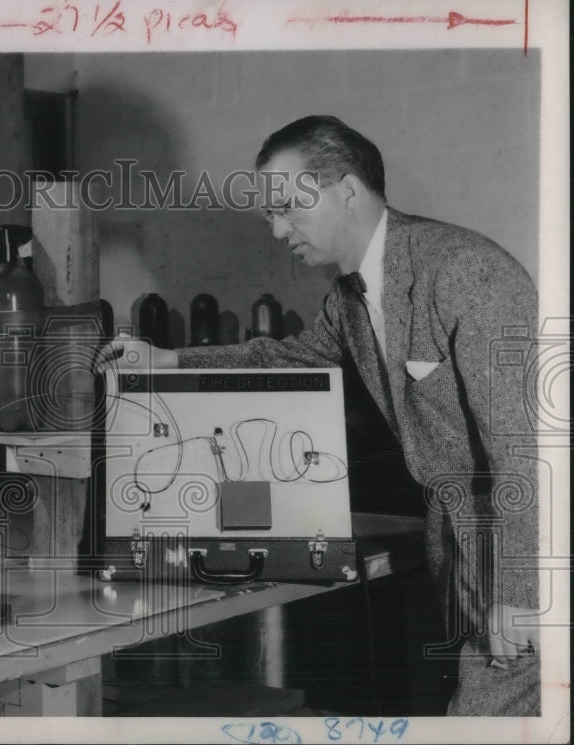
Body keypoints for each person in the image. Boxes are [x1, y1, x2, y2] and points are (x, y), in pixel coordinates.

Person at [102, 115, 540, 716]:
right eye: (269, 215)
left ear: (348, 190)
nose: (278, 230)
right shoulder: (350, 297)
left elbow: (525, 448)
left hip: (520, 543)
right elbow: (288, 355)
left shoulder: (465, 272)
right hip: (458, 536)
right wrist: (169, 357)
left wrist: (520, 591)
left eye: (286, 207)